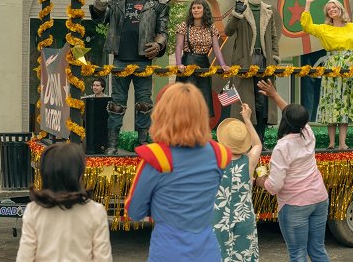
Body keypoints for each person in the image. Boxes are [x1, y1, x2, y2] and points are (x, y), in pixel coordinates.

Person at [125, 83, 231, 262]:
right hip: (207, 252)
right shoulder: (219, 154)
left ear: (163, 114)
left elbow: (135, 212)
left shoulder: (158, 157)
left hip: (169, 252)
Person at [89, 0, 170, 154]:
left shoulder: (157, 5)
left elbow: (163, 32)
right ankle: (112, 145)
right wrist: (100, 4)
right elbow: (100, 20)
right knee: (117, 104)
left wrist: (158, 45)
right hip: (120, 60)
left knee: (144, 104)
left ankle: (142, 143)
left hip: (143, 60)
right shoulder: (117, 2)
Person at [255, 79, 330, 262]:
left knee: (297, 255)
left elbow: (274, 186)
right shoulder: (308, 132)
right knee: (318, 250)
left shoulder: (283, 147)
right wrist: (274, 95)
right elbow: (291, 114)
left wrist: (260, 179)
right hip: (319, 199)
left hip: (295, 204)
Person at [16, 143, 112, 262]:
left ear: (45, 173)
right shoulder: (96, 211)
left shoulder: (33, 210)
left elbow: (25, 257)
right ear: (79, 173)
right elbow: (103, 258)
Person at [301, 0, 353, 150]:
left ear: (340, 10)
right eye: (328, 9)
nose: (331, 10)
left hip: (349, 67)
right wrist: (308, 4)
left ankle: (342, 143)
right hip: (332, 67)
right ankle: (332, 142)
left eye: (334, 7)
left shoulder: (352, 27)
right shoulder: (325, 29)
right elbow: (306, 26)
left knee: (345, 104)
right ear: (327, 13)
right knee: (332, 103)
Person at [225, 0, 280, 146]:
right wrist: (237, 13)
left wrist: (275, 57)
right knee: (245, 100)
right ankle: (245, 140)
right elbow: (228, 31)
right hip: (245, 61)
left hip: (264, 59)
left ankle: (260, 139)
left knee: (262, 100)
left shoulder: (268, 11)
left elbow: (273, 37)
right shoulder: (240, 7)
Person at [213, 103, 262, 261]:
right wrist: (247, 119)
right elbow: (258, 145)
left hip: (219, 219)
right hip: (244, 218)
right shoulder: (249, 162)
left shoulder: (213, 162)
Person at [175, 0, 230, 117]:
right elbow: (179, 47)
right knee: (188, 100)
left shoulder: (211, 28)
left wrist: (223, 64)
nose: (195, 10)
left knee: (204, 99)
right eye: (193, 8)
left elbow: (216, 49)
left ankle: (201, 132)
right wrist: (179, 63)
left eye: (198, 8)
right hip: (187, 63)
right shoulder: (184, 26)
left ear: (204, 10)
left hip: (204, 63)